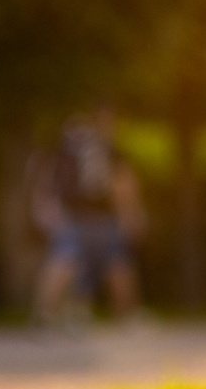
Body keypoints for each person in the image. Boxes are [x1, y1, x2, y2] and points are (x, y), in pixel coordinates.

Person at [29, 107, 147, 324]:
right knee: (116, 262)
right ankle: (127, 316)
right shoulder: (104, 147)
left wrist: (43, 205)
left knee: (66, 260)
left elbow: (47, 174)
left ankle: (46, 315)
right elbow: (122, 184)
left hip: (72, 213)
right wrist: (131, 214)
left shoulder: (68, 142)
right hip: (93, 214)